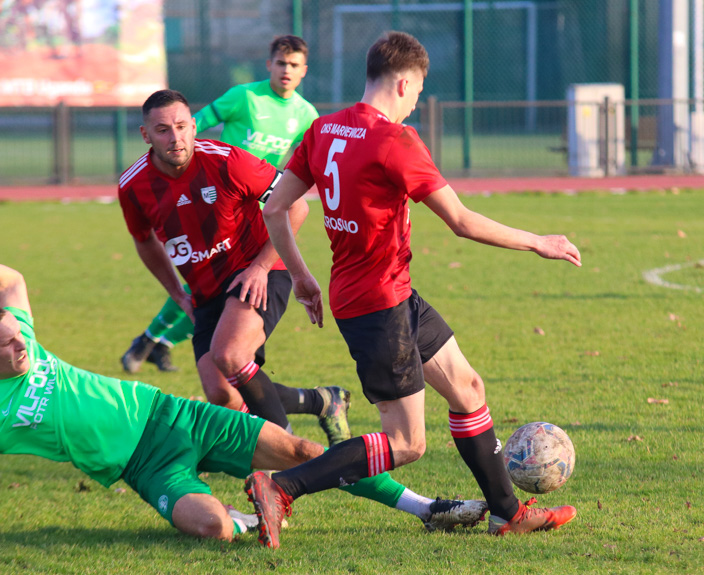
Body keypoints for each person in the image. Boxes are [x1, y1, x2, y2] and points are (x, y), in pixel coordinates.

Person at [254, 31, 581, 549]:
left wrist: (300, 276)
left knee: (467, 388)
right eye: (419, 91)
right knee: (407, 443)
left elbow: (274, 209)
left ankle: (507, 513)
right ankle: (282, 488)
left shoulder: (323, 129)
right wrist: (539, 241)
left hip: (387, 294)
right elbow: (462, 221)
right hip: (377, 306)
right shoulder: (394, 141)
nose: (417, 103)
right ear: (403, 82)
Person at [117, 89, 486, 534]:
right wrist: (177, 294)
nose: (175, 137)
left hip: (261, 274)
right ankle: (318, 402)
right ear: (145, 135)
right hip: (208, 295)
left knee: (231, 358)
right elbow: (144, 243)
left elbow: (292, 207)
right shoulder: (132, 185)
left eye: (181, 126)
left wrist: (260, 266)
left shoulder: (228, 160)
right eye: (162, 130)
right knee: (222, 396)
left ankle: (282, 476)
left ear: (194, 125)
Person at [0, 264, 485, 540]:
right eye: (7, 346)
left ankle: (426, 508)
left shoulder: (23, 336)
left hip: (174, 416)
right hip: (144, 469)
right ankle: (255, 509)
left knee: (306, 454)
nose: (20, 345)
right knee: (215, 531)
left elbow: (14, 280)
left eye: (18, 336)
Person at [121, 35, 318, 374]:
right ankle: (154, 339)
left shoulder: (305, 114)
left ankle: (159, 342)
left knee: (239, 291)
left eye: (295, 65)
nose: (287, 70)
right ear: (269, 64)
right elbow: (196, 121)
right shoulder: (244, 97)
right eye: (281, 63)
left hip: (256, 201)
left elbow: (309, 159)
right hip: (210, 194)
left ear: (304, 71)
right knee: (202, 277)